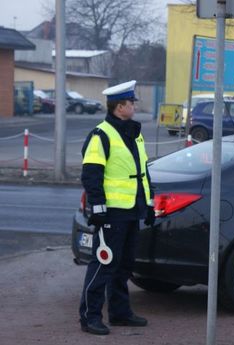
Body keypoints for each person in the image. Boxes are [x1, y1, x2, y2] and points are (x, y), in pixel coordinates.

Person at [78, 80, 155, 335]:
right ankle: (90, 317)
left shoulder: (134, 132)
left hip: (132, 210)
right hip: (112, 212)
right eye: (131, 103)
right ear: (119, 107)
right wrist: (97, 207)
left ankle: (120, 313)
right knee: (104, 263)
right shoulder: (101, 135)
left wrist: (149, 204)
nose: (134, 106)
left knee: (124, 265)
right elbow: (91, 174)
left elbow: (142, 172)